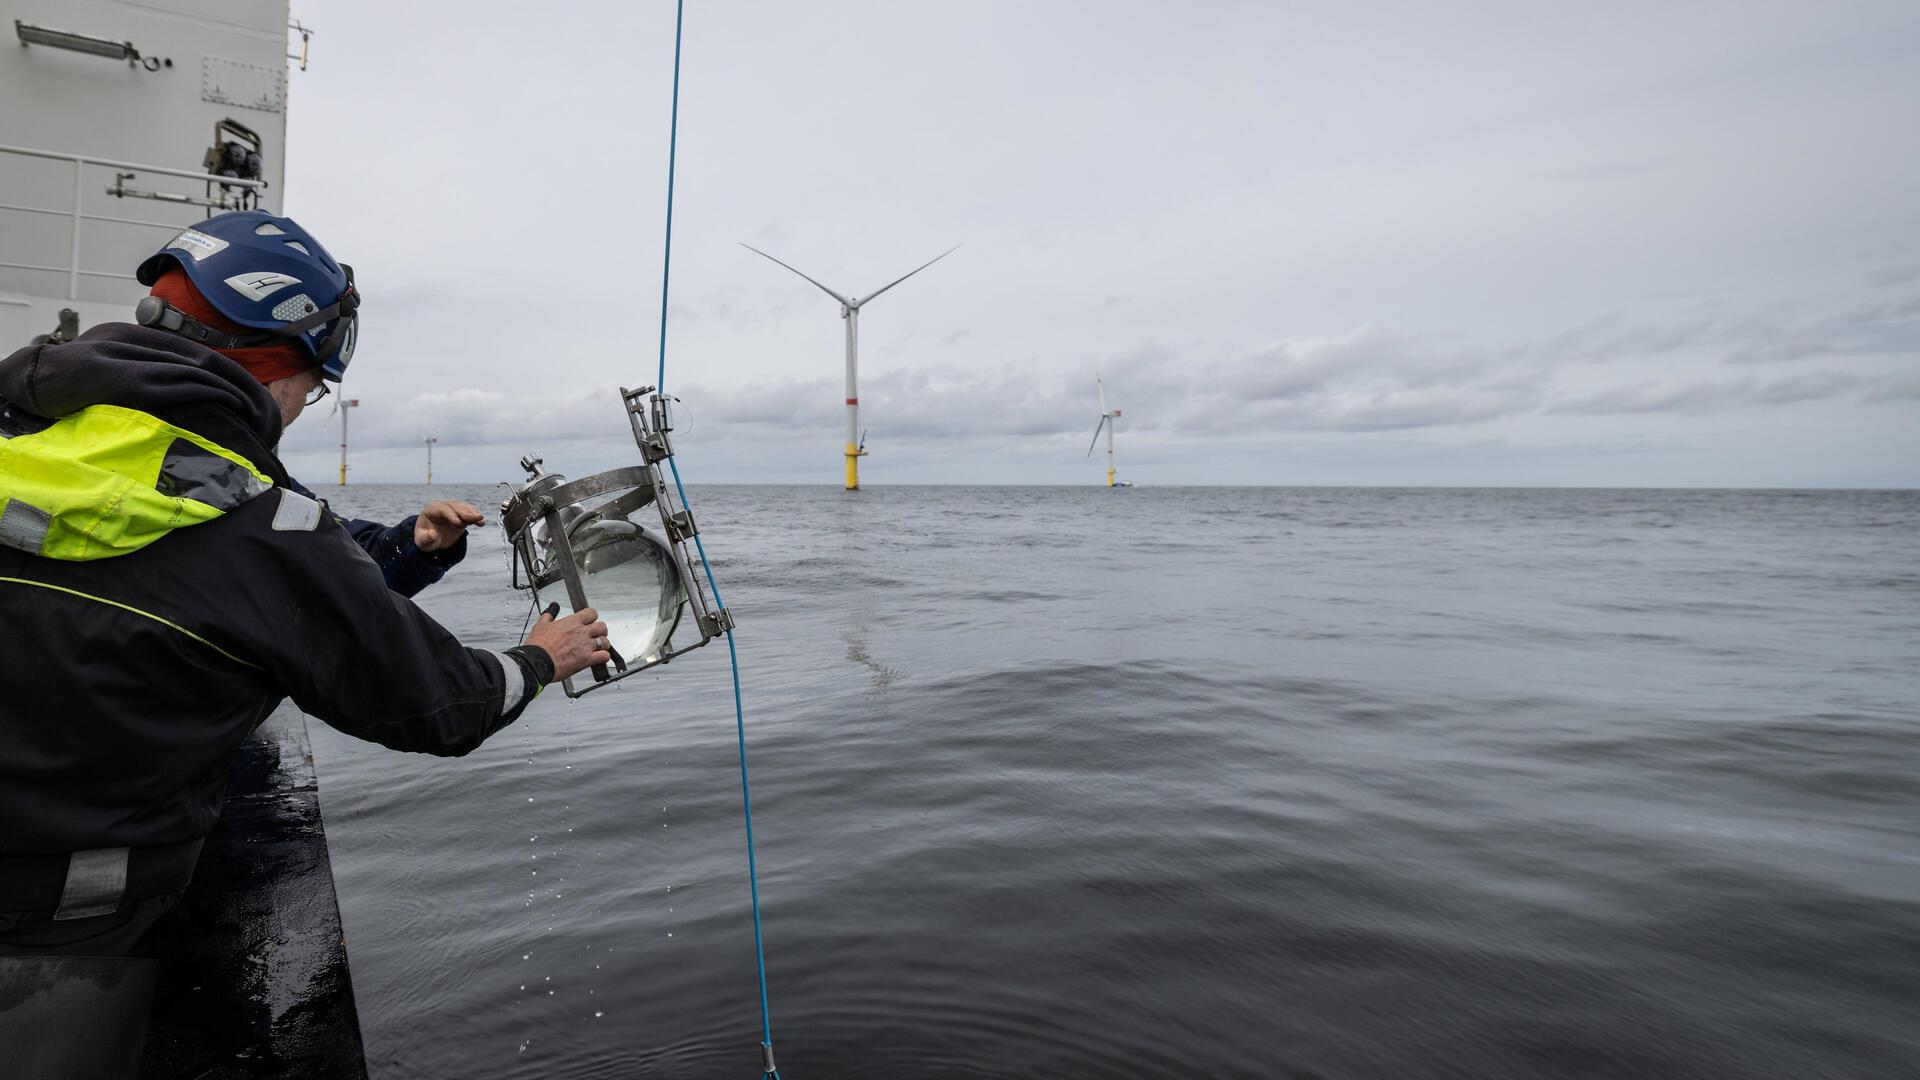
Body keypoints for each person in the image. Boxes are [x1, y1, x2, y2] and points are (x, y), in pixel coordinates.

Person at [0, 210, 610, 1076]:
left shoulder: (33, 424)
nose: (299, 410)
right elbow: (436, 703)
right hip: (70, 925)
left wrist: (407, 547)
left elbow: (238, 568)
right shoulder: (265, 531)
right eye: (311, 386)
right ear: (278, 362)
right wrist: (542, 657)